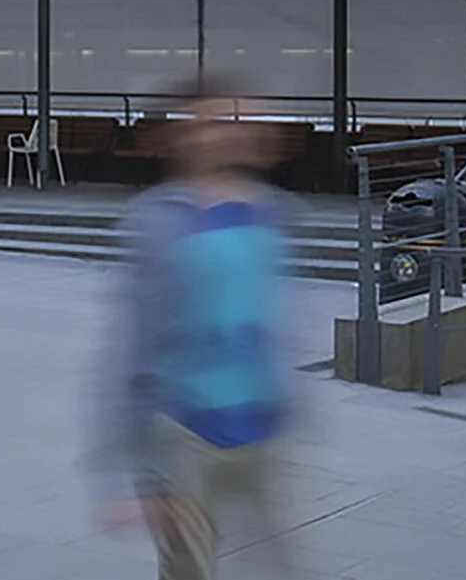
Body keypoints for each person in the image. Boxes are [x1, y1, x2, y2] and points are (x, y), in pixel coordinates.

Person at [98, 77, 297, 580]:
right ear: (184, 136)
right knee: (190, 571)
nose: (230, 133)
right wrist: (142, 475)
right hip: (186, 435)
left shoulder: (270, 213)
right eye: (214, 122)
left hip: (261, 433)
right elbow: (135, 349)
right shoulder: (159, 222)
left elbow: (272, 325)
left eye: (241, 120)